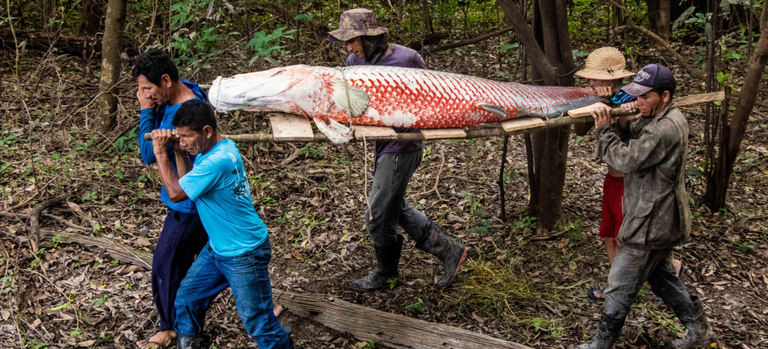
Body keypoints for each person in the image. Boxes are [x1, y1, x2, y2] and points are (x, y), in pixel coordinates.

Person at [327, 8, 469, 292]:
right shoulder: (353, 61)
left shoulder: (407, 58)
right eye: (347, 42)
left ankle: (385, 271)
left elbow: (436, 94)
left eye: (353, 41)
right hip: (381, 143)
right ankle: (450, 250)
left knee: (377, 214)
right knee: (397, 207)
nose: (349, 48)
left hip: (404, 144)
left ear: (370, 39)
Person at [578, 64, 714, 349]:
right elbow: (634, 140)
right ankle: (699, 331)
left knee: (619, 282)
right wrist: (623, 122)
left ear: (665, 96)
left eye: (645, 97)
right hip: (656, 216)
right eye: (637, 95)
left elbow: (626, 159)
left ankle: (600, 344)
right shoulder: (658, 117)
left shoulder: (665, 128)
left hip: (652, 221)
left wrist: (604, 129)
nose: (638, 101)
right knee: (663, 279)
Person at [150, 100, 293, 349]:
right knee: (187, 299)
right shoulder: (218, 148)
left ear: (206, 131)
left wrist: (161, 152)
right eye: (180, 136)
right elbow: (187, 183)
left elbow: (175, 192)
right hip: (218, 247)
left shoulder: (217, 161)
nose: (183, 141)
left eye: (187, 136)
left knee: (257, 322)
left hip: (243, 252)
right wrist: (180, 153)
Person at [573, 48, 681, 300]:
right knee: (609, 236)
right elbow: (579, 130)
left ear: (609, 78)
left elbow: (632, 146)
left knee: (626, 240)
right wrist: (594, 102)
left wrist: (619, 111)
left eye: (594, 78)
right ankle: (617, 288)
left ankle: (626, 289)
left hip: (629, 184)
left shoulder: (634, 99)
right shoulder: (598, 98)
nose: (590, 83)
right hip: (612, 180)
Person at [134, 49, 209, 349]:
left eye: (147, 88)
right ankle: (265, 307)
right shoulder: (189, 89)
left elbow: (146, 153)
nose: (145, 95)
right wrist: (153, 100)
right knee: (211, 259)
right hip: (200, 198)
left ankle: (171, 328)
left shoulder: (179, 114)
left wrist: (145, 111)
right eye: (142, 90)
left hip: (188, 204)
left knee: (166, 265)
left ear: (166, 80)